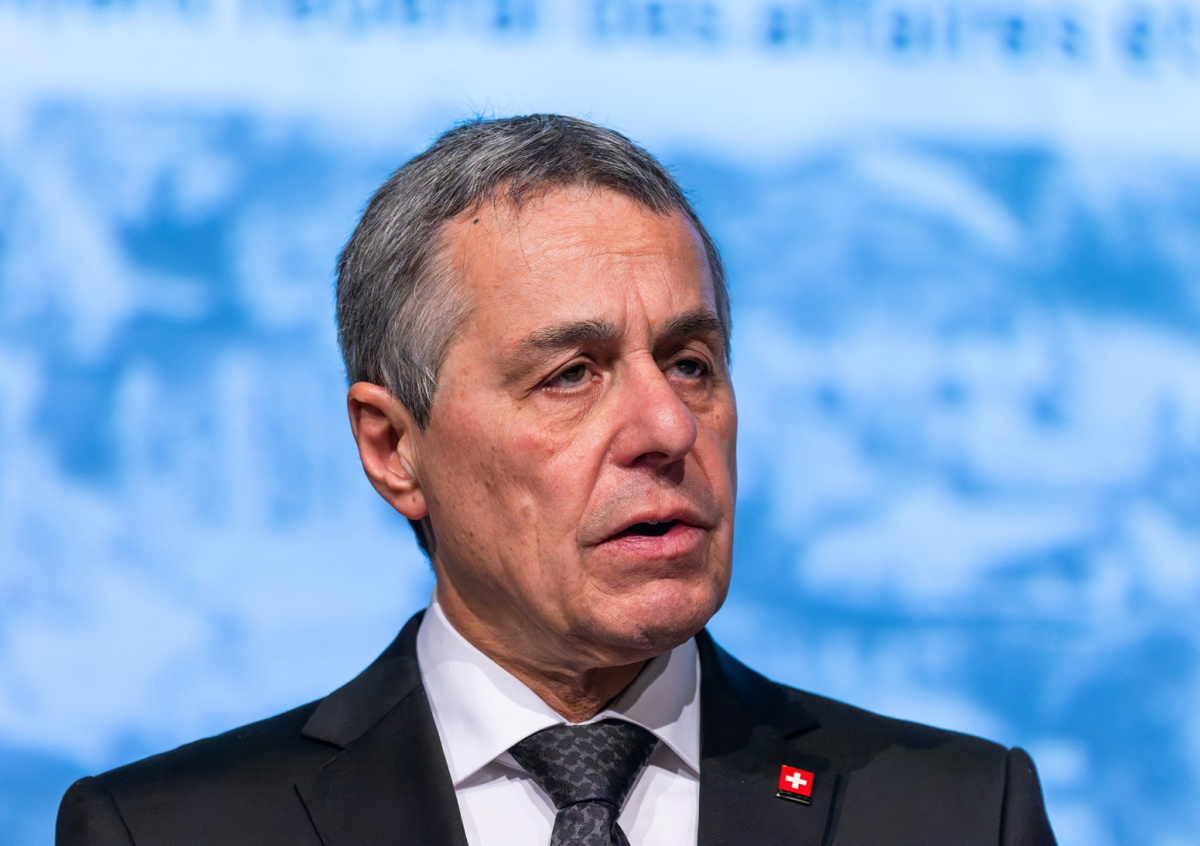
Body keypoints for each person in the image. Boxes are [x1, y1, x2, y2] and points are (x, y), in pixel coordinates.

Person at [56, 114, 1057, 846]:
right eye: (572, 375)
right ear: (393, 448)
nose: (668, 428)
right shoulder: (171, 830)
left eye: (691, 364)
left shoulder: (957, 814)